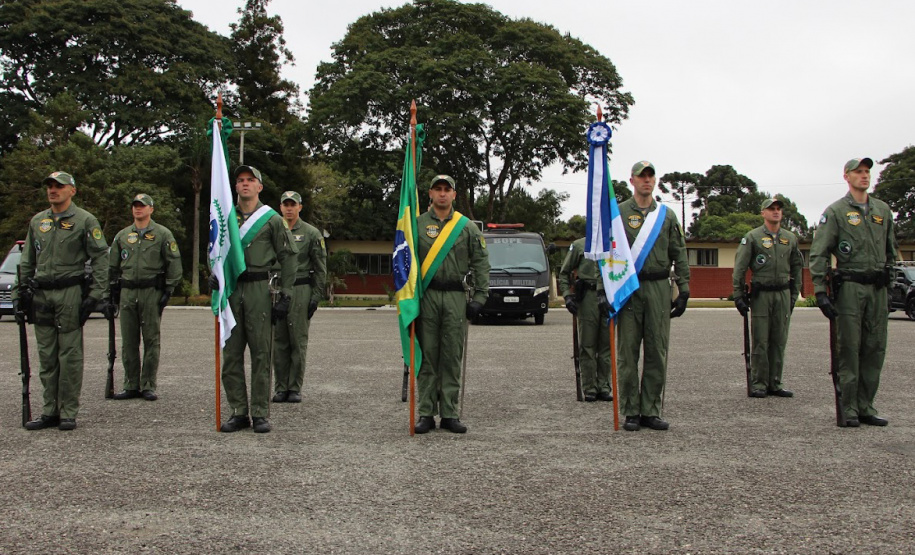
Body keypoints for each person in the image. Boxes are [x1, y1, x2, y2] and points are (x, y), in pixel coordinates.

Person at [13, 171, 110, 431]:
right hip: (42, 293)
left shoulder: (85, 220)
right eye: (50, 186)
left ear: (72, 190)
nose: (53, 190)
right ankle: (49, 411)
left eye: (59, 186)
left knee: (69, 354)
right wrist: (20, 293)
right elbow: (27, 260)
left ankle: (68, 411)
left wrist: (95, 295)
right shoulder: (38, 221)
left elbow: (101, 258)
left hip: (69, 291)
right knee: (46, 354)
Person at [810, 157, 897, 428]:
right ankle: (848, 407)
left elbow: (891, 251)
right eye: (858, 171)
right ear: (846, 176)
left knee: (875, 347)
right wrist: (820, 291)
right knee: (849, 347)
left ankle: (866, 406)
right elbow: (819, 252)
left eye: (867, 171)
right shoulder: (836, 212)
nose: (864, 175)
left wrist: (890, 284)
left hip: (877, 288)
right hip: (850, 287)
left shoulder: (882, 210)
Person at [215, 166, 297, 434]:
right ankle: (238, 411)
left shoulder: (271, 219)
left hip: (259, 290)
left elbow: (288, 257)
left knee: (261, 353)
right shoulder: (224, 216)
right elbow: (214, 248)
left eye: (250, 180)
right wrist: (213, 275)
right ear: (235, 187)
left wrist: (286, 294)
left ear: (260, 187)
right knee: (231, 354)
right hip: (232, 290)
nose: (245, 184)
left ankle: (260, 412)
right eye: (240, 180)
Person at [616, 161, 690, 431]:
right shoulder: (618, 212)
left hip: (659, 287)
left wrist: (684, 289)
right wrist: (604, 290)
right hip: (629, 289)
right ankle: (630, 411)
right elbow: (608, 253)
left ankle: (650, 410)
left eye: (650, 176)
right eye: (641, 176)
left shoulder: (666, 216)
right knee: (627, 353)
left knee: (657, 351)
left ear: (655, 181)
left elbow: (679, 252)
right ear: (632, 180)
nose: (646, 180)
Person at [413, 175, 490, 434]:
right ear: (430, 194)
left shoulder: (466, 227)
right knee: (427, 355)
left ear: (454, 195)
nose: (443, 193)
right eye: (438, 189)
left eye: (447, 189)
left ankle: (449, 413)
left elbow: (481, 262)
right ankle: (425, 413)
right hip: (427, 297)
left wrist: (480, 297)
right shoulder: (416, 225)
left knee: (451, 356)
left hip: (456, 297)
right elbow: (405, 261)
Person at [108, 193, 183, 401]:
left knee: (151, 339)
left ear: (151, 209)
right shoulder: (122, 235)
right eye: (135, 205)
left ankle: (148, 384)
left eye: (142, 205)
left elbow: (174, 262)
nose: (138, 208)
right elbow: (112, 266)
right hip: (128, 292)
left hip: (151, 291)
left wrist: (168, 290)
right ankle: (131, 384)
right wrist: (109, 292)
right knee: (129, 340)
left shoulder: (162, 234)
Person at [732, 198, 804, 398]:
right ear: (763, 213)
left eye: (778, 208)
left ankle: (775, 382)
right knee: (761, 340)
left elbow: (797, 267)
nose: (776, 211)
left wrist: (794, 294)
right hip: (761, 294)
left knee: (779, 339)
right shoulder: (752, 237)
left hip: (783, 292)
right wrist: (738, 295)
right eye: (771, 209)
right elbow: (740, 268)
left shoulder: (790, 238)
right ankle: (759, 382)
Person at [272, 191, 327, 404]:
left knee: (298, 340)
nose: (289, 208)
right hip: (277, 289)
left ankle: (294, 387)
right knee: (279, 341)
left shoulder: (311, 233)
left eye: (292, 205)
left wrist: (316, 296)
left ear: (299, 207)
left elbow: (320, 268)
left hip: (300, 289)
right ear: (280, 207)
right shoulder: (273, 230)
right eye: (285, 204)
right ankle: (280, 387)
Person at [558, 238, 612, 402]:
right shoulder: (580, 245)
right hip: (588, 297)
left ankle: (604, 386)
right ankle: (590, 387)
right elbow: (564, 272)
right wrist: (567, 295)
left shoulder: (613, 241)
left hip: (609, 296)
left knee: (607, 344)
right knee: (587, 344)